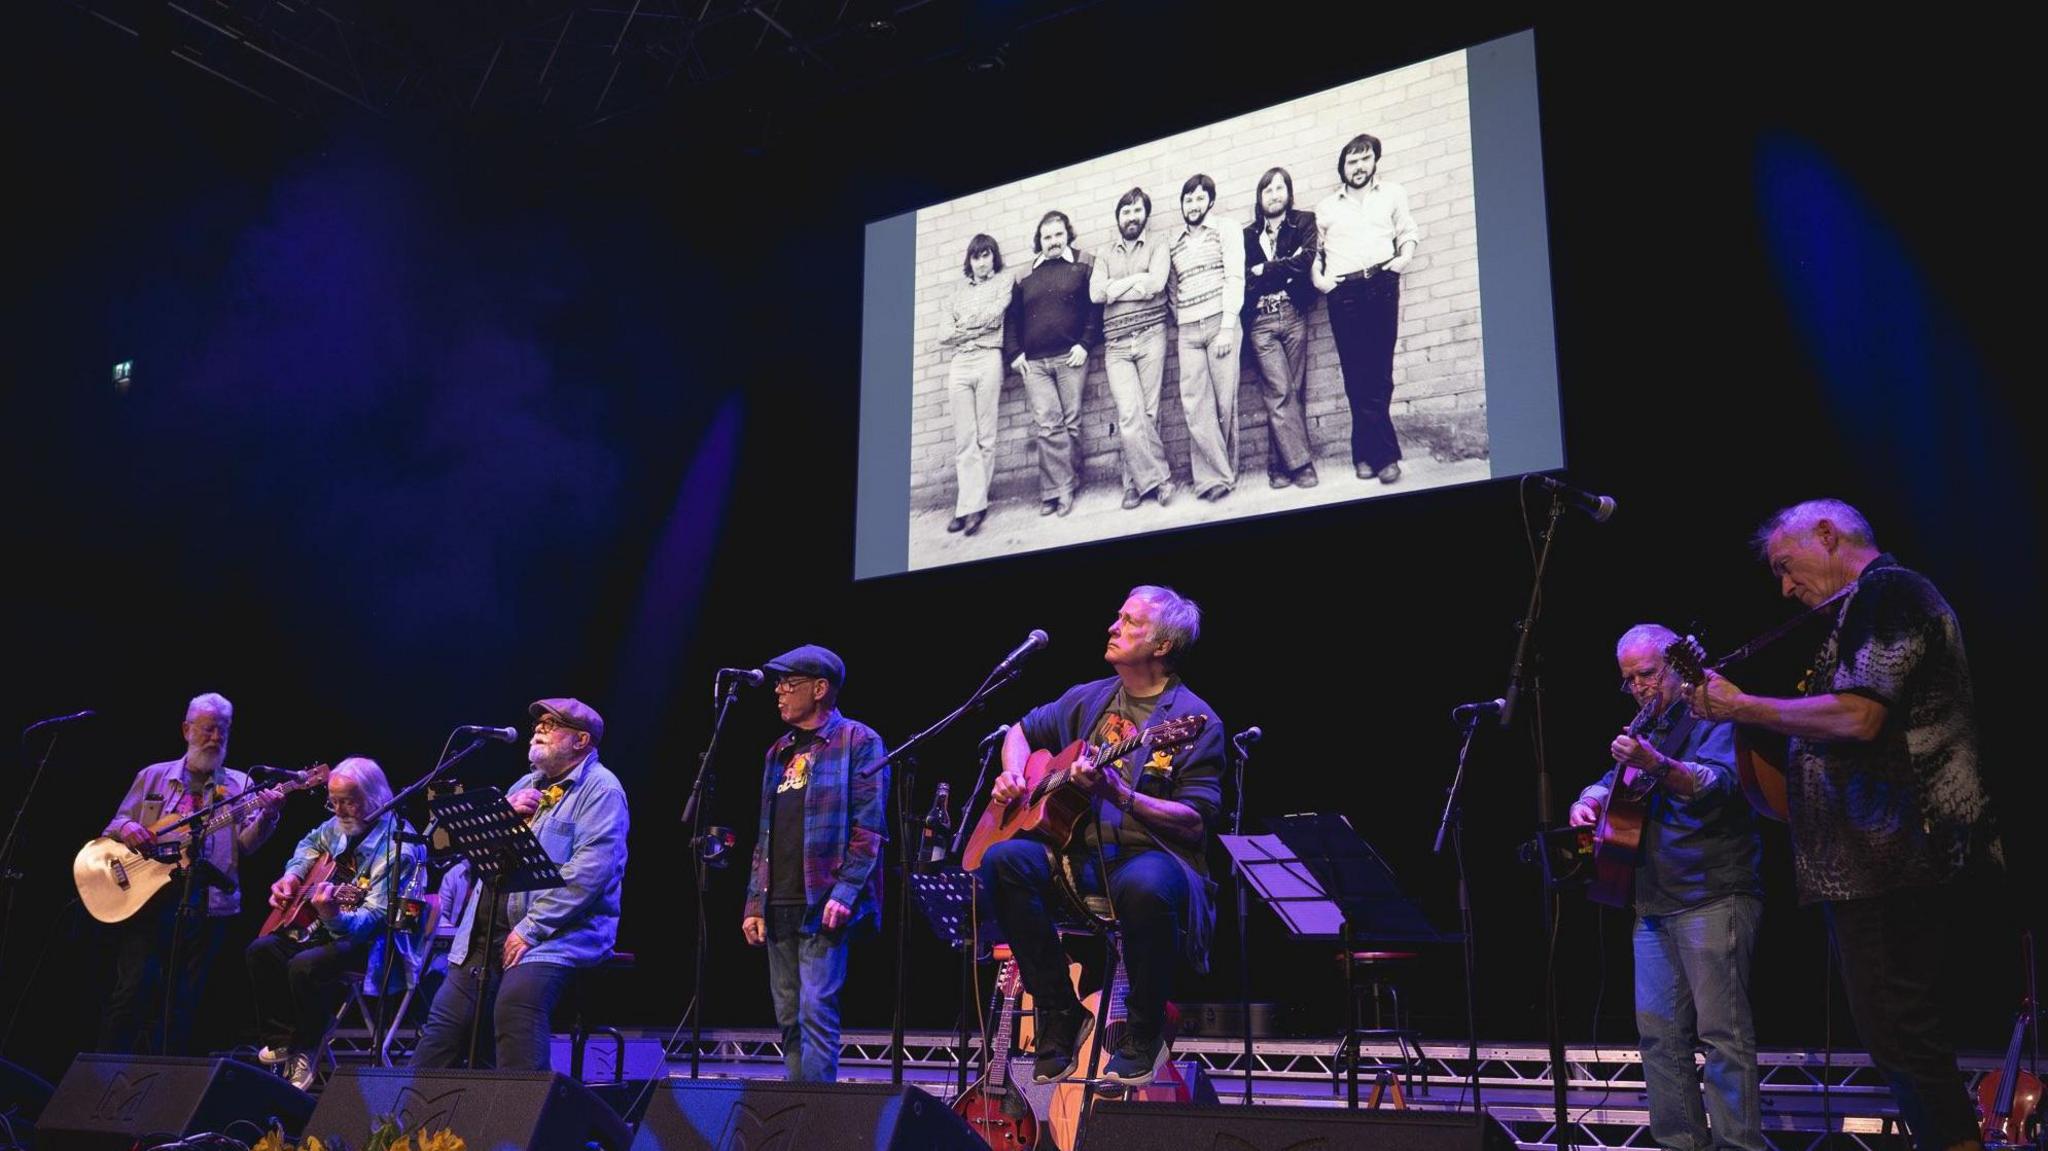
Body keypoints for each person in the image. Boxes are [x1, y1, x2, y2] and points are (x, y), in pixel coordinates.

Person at [1692, 499, 2002, 1151]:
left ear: (1828, 535)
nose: (1784, 585)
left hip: (1897, 852)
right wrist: (1744, 718)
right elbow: (1791, 785)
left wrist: (1745, 703)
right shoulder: (1856, 617)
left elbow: (1862, 717)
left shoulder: (1889, 590)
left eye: (1786, 564)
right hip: (1866, 862)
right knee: (1897, 1039)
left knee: (1903, 1036)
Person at [976, 586, 1226, 1087]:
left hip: (1149, 856)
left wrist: (1122, 796)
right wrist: (1015, 777)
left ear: (1161, 647)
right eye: (1118, 617)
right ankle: (1059, 1012)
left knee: (1145, 885)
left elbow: (1196, 821)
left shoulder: (1192, 721)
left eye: (1131, 622)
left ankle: (1142, 1031)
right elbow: (1019, 732)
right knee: (1003, 861)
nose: (1113, 627)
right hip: (1075, 855)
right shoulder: (1089, 697)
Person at [1571, 625, 1763, 1151]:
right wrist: (1587, 799)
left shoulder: (1712, 713)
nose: (1638, 687)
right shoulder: (1649, 727)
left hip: (1713, 893)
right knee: (1659, 1039)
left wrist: (1657, 764)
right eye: (1628, 679)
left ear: (1676, 667)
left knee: (1723, 1038)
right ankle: (1680, 1143)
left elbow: (1721, 784)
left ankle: (1738, 1146)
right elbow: (1613, 785)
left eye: (1647, 674)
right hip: (1653, 902)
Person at [410, 697, 629, 1071]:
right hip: (486, 931)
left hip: (558, 935)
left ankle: (523, 1125)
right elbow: (479, 860)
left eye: (552, 723)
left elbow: (589, 871)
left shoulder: (601, 790)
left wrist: (530, 929)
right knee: (442, 1030)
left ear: (581, 741)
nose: (539, 729)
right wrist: (502, 817)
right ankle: (408, 1126)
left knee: (516, 1005)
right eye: (537, 724)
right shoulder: (525, 784)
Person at [98, 691, 285, 1054]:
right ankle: (101, 1076)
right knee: (133, 989)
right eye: (208, 729)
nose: (216, 738)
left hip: (209, 906)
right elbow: (116, 823)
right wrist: (128, 829)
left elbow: (244, 846)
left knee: (183, 1000)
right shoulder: (153, 776)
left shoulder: (239, 785)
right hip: (148, 902)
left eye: (224, 731)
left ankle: (163, 1083)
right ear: (186, 730)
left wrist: (269, 815)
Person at [740, 645, 889, 1082]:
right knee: (787, 1016)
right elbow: (764, 833)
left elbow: (870, 828)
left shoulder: (859, 741)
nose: (779, 692)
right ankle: (794, 1106)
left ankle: (815, 1116)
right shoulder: (777, 753)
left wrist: (845, 892)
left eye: (789, 683)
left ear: (820, 689)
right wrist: (753, 901)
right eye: (778, 684)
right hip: (778, 900)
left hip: (823, 900)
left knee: (815, 1011)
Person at [245, 757, 423, 1089]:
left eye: (347, 801)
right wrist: (292, 876)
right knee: (262, 950)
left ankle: (308, 1044)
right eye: (334, 801)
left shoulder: (399, 848)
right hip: (324, 931)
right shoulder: (337, 826)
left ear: (373, 799)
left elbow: (373, 919)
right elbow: (309, 844)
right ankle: (285, 1040)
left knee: (304, 967)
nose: (338, 810)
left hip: (372, 945)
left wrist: (333, 915)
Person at [1311, 133, 1418, 484]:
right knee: (1356, 374)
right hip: (1344, 292)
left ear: (1374, 162)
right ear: (1342, 167)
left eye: (1364, 159)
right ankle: (1380, 456)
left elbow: (1407, 230)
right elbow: (1315, 252)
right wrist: (1322, 281)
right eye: (1351, 161)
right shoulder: (1327, 207)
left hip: (1382, 284)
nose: (1358, 167)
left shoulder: (1392, 193)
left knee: (1381, 373)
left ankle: (1370, 455)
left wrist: (1403, 259)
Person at [1004, 211, 1101, 517]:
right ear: (1039, 241)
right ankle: (1057, 490)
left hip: (1070, 357)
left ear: (1067, 235)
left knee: (1070, 423)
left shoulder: (1084, 264)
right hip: (1034, 363)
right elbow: (1012, 319)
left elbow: (1094, 311)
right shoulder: (1025, 275)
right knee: (1048, 425)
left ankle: (1066, 487)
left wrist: (1085, 344)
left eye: (1058, 235)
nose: (1053, 241)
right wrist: (1014, 353)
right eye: (1047, 237)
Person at [1089, 188, 1177, 510]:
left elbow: (1155, 285)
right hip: (1117, 345)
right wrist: (1134, 283)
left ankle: (1134, 486)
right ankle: (1160, 479)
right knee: (1129, 415)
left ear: (1145, 215)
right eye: (1125, 211)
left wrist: (1117, 288)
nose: (1131, 217)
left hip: (1152, 335)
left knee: (1149, 413)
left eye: (1137, 210)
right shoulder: (1104, 251)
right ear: (1118, 217)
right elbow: (1097, 293)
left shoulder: (1158, 243)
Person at [1167, 175, 1246, 501]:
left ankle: (1225, 472)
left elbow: (1235, 276)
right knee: (1195, 405)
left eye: (1200, 199)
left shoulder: (1225, 229)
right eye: (1188, 199)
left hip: (1220, 324)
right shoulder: (1175, 240)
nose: (1193, 205)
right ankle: (1211, 479)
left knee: (1224, 402)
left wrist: (1227, 325)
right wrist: (1180, 318)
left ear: (1210, 202)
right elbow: (1172, 287)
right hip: (1188, 330)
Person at [1241, 167, 1321, 490]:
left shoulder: (1304, 222)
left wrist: (1266, 269)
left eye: (1279, 188)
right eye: (1267, 190)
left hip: (1293, 313)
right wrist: (1282, 270)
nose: (1274, 195)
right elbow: (1247, 278)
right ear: (1259, 198)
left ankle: (1278, 465)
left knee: (1294, 389)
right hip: (1261, 320)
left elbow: (1307, 260)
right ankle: (1301, 465)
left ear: (1288, 192)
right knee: (1279, 390)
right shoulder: (1247, 236)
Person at [940, 234, 1014, 536]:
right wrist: (974, 328)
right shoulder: (955, 292)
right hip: (960, 365)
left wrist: (963, 326)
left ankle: (971, 508)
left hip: (988, 361)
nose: (982, 262)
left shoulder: (1004, 281)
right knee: (965, 440)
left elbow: (995, 314)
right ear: (969, 261)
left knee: (986, 436)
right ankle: (971, 505)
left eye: (987, 255)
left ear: (994, 257)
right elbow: (943, 334)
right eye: (976, 257)